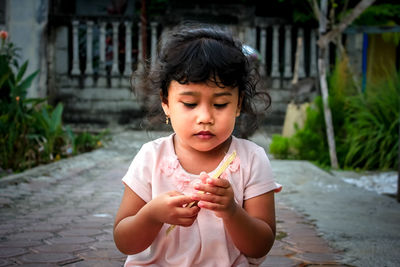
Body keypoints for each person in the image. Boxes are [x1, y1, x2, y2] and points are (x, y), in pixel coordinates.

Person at [113, 24, 282, 267]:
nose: (205, 117)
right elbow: (125, 242)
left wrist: (232, 212)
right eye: (190, 104)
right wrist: (151, 215)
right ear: (166, 103)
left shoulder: (251, 159)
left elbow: (260, 245)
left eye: (221, 104)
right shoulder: (151, 157)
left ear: (238, 104)